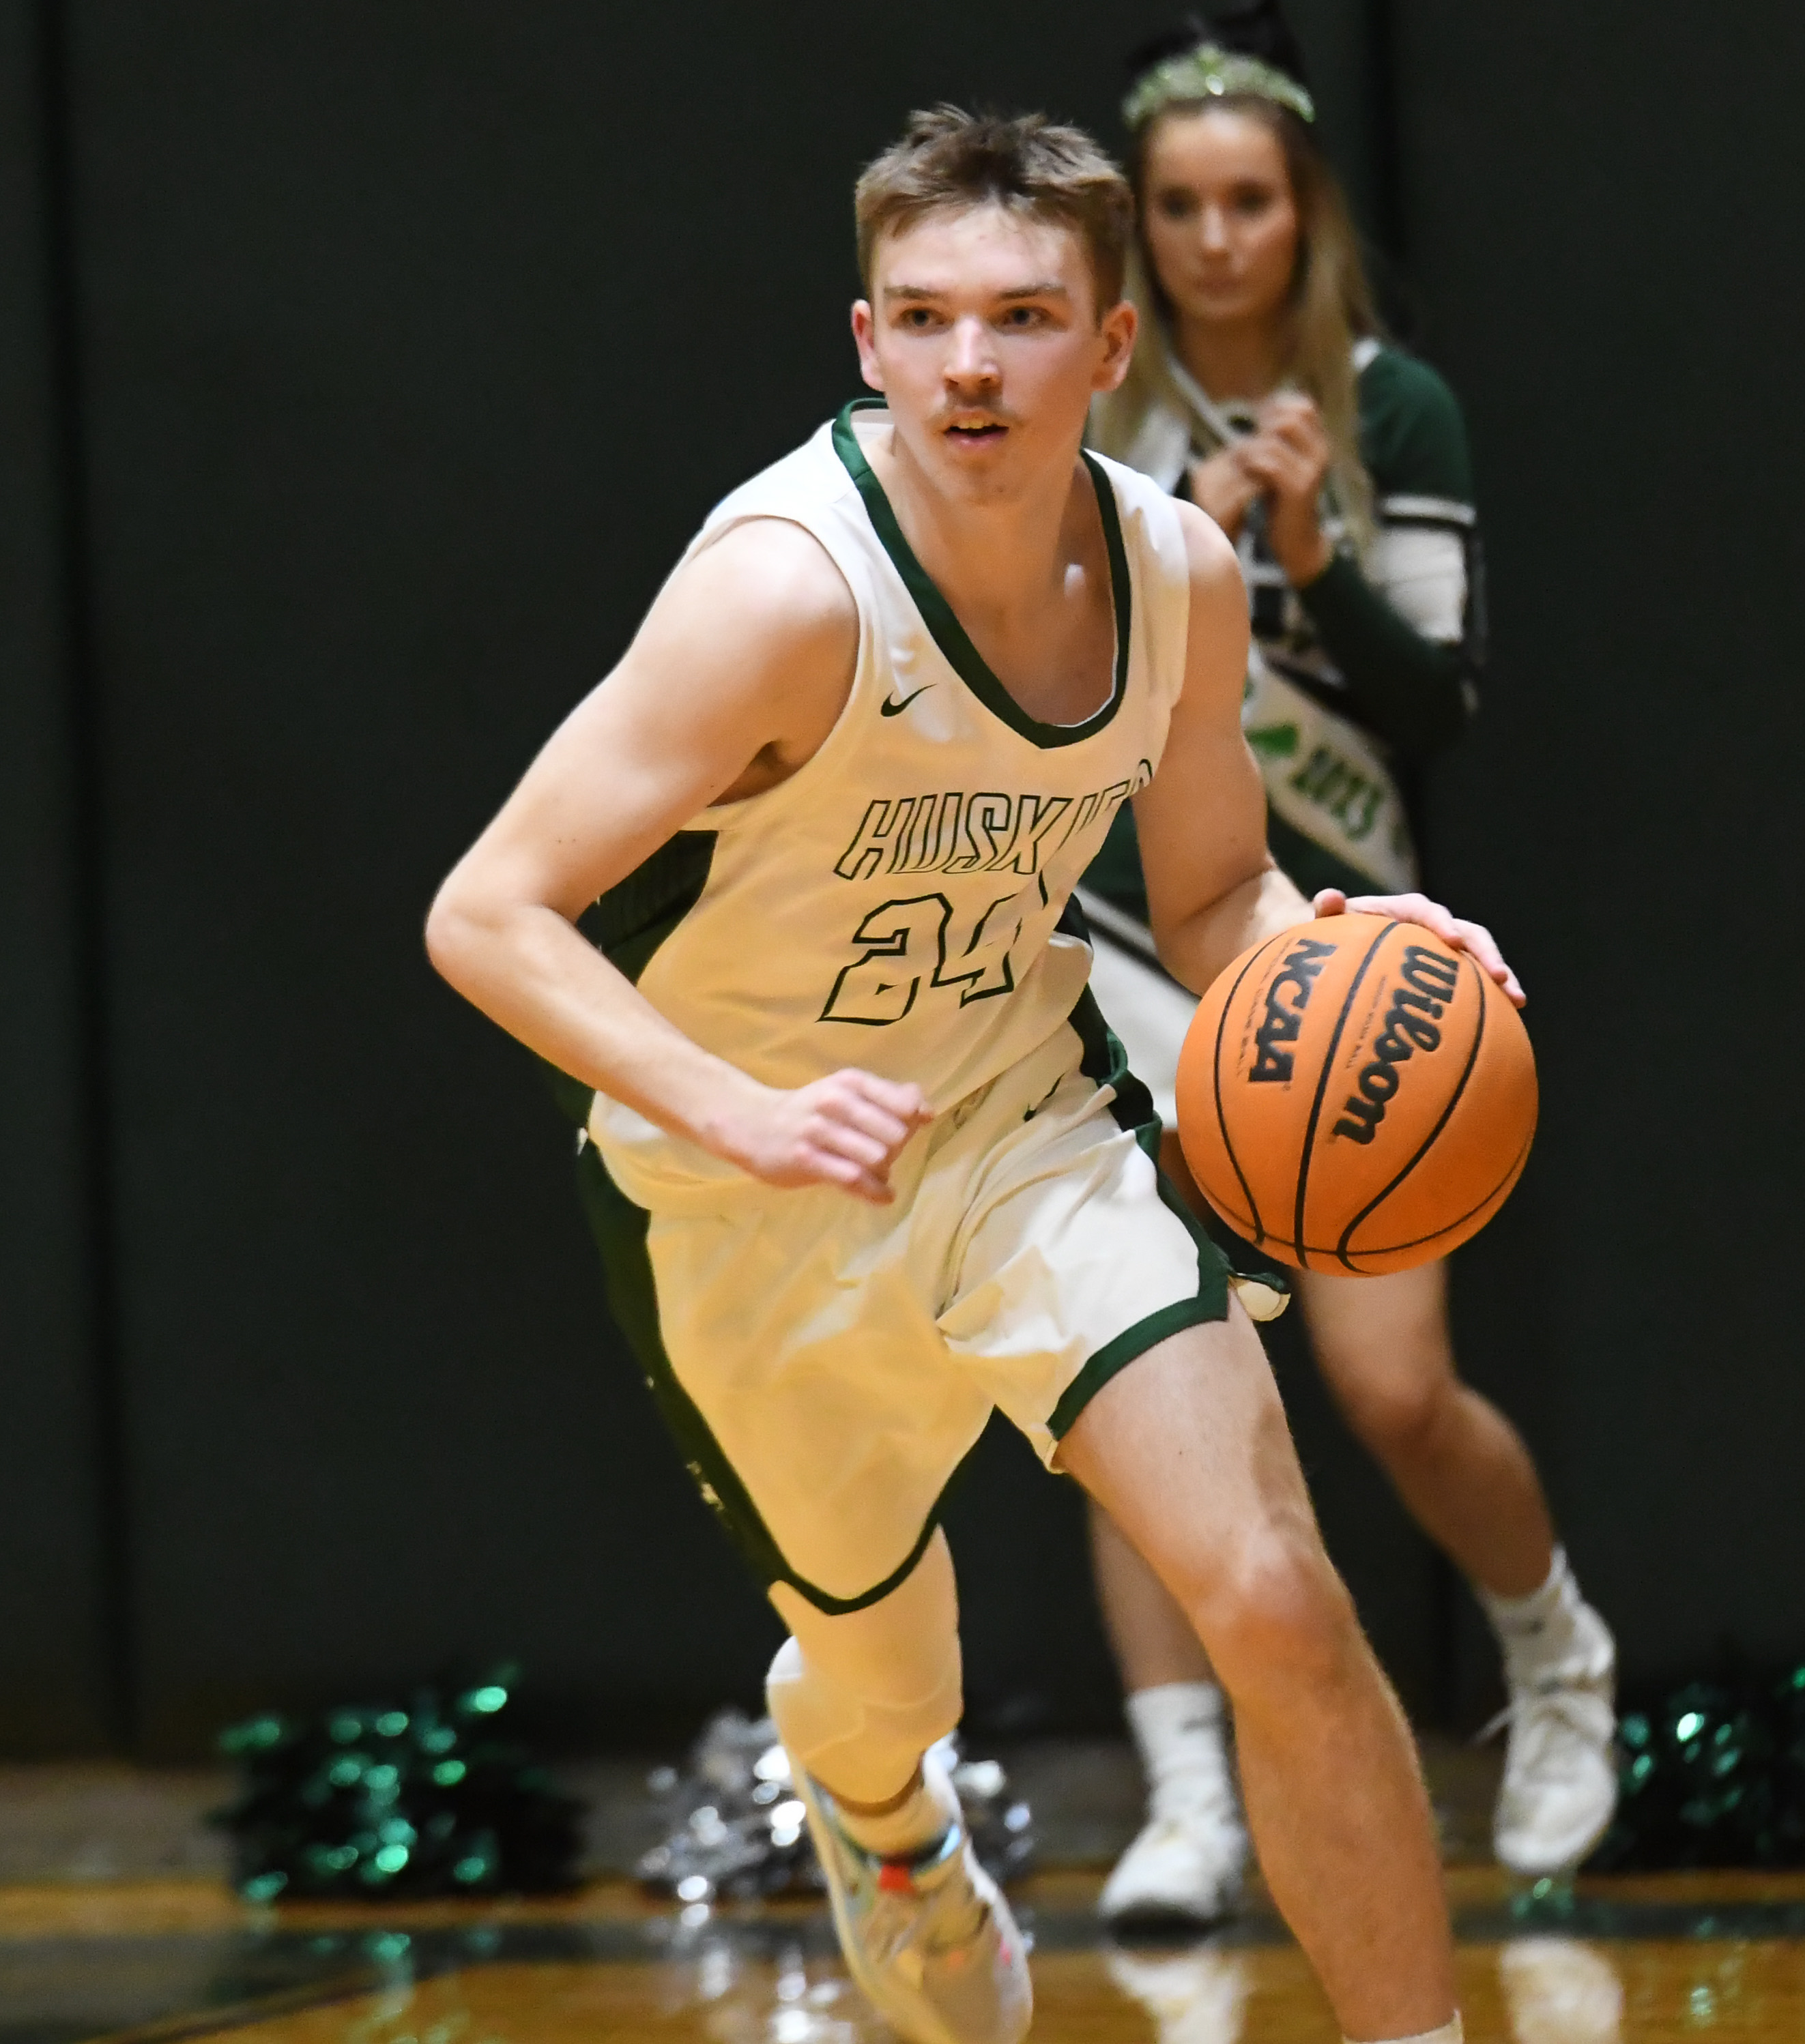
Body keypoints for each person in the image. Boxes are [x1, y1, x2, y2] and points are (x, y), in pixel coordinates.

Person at [427, 106, 1521, 2044]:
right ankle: (881, 1816)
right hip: (739, 1195)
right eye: (925, 319)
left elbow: (1212, 894)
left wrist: (1375, 968)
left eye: (1022, 317)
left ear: (1112, 351)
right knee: (881, 1680)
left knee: (1273, 1588)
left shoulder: (1173, 571)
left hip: (1023, 1122)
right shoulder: (784, 596)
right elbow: (490, 912)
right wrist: (739, 1107)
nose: (970, 366)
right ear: (868, 342)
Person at [1067, 1, 1620, 1923]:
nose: (1221, 238)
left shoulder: (1395, 411)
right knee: (1142, 1380)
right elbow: (1036, 694)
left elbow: (1437, 705)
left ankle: (1556, 1660)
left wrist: (1299, 545)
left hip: (1332, 955)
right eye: (1184, 206)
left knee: (1389, 1388)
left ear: (1308, 215)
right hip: (1116, 942)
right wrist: (1174, 558)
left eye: (1254, 202)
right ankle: (1188, 1799)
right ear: (1134, 225)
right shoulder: (1088, 416)